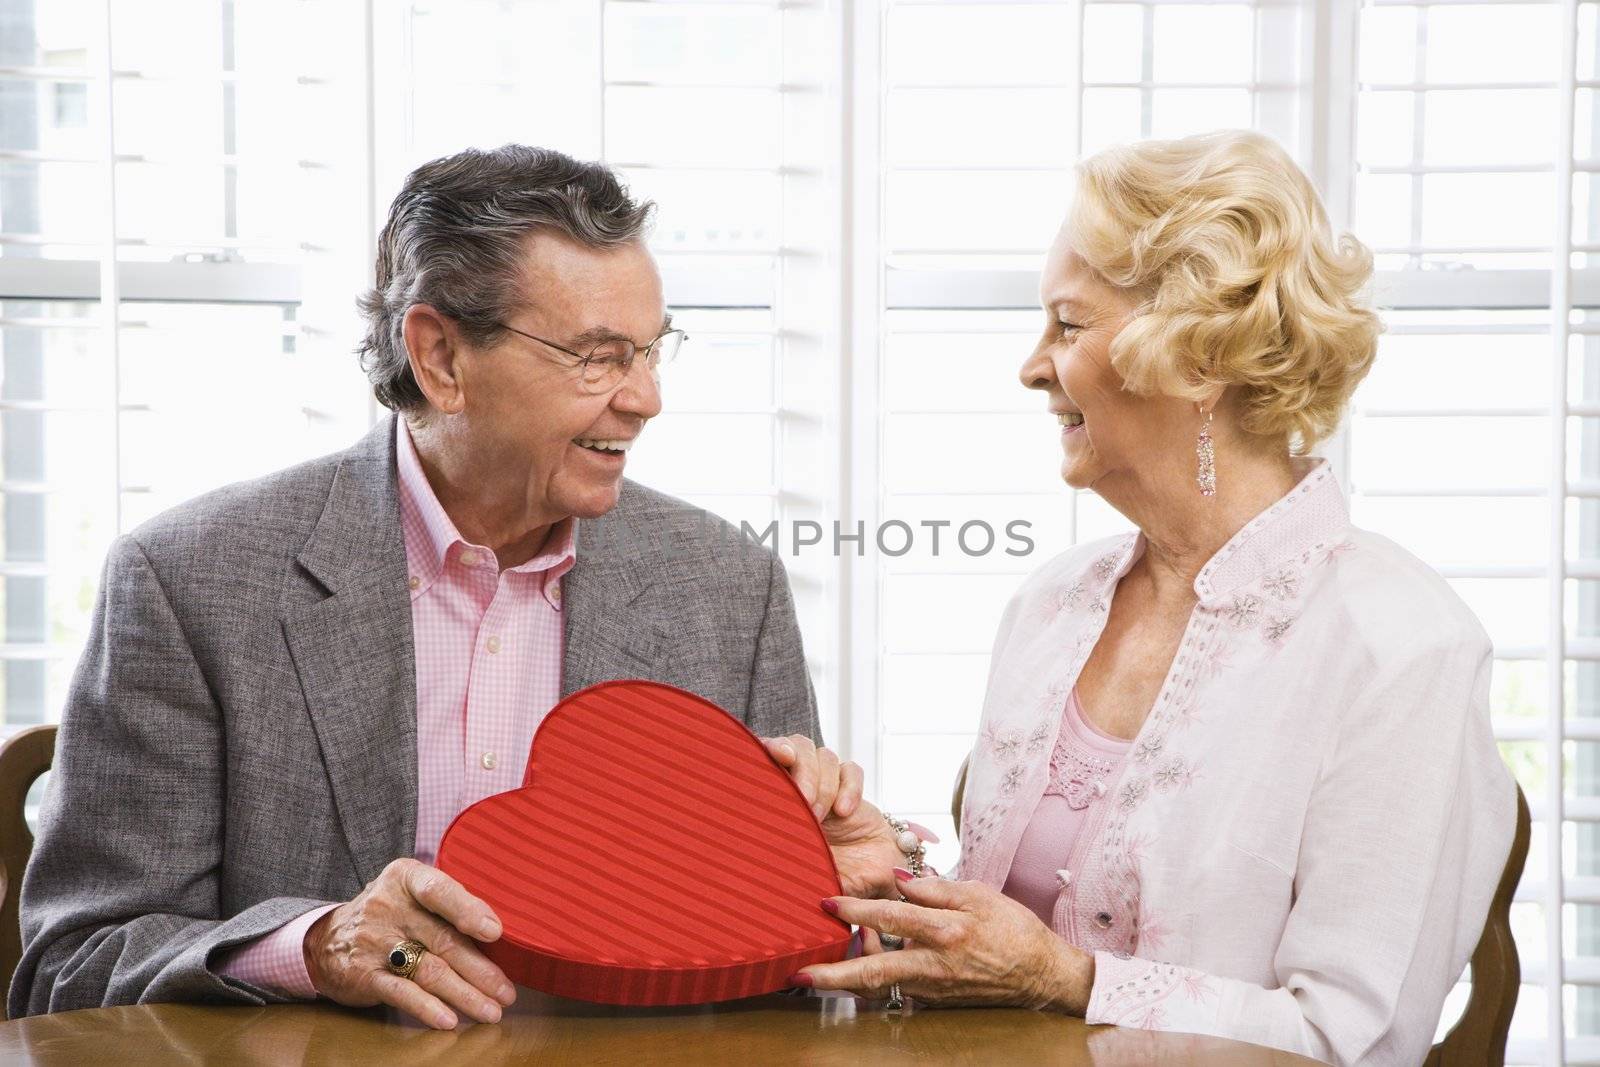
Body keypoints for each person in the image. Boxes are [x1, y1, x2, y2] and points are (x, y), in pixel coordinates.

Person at [10, 145, 820, 1030]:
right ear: (439, 357)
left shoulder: (729, 590)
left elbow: (797, 964)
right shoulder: (186, 582)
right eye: (598, 356)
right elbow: (73, 964)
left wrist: (846, 898)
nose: (646, 397)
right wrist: (316, 946)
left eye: (652, 351)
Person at [767, 130, 1516, 1067]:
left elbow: (1353, 1037)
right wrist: (894, 870)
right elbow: (1005, 944)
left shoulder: (1404, 646)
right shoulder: (1052, 605)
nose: (1032, 366)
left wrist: (1069, 980)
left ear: (1198, 356)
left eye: (1068, 325)